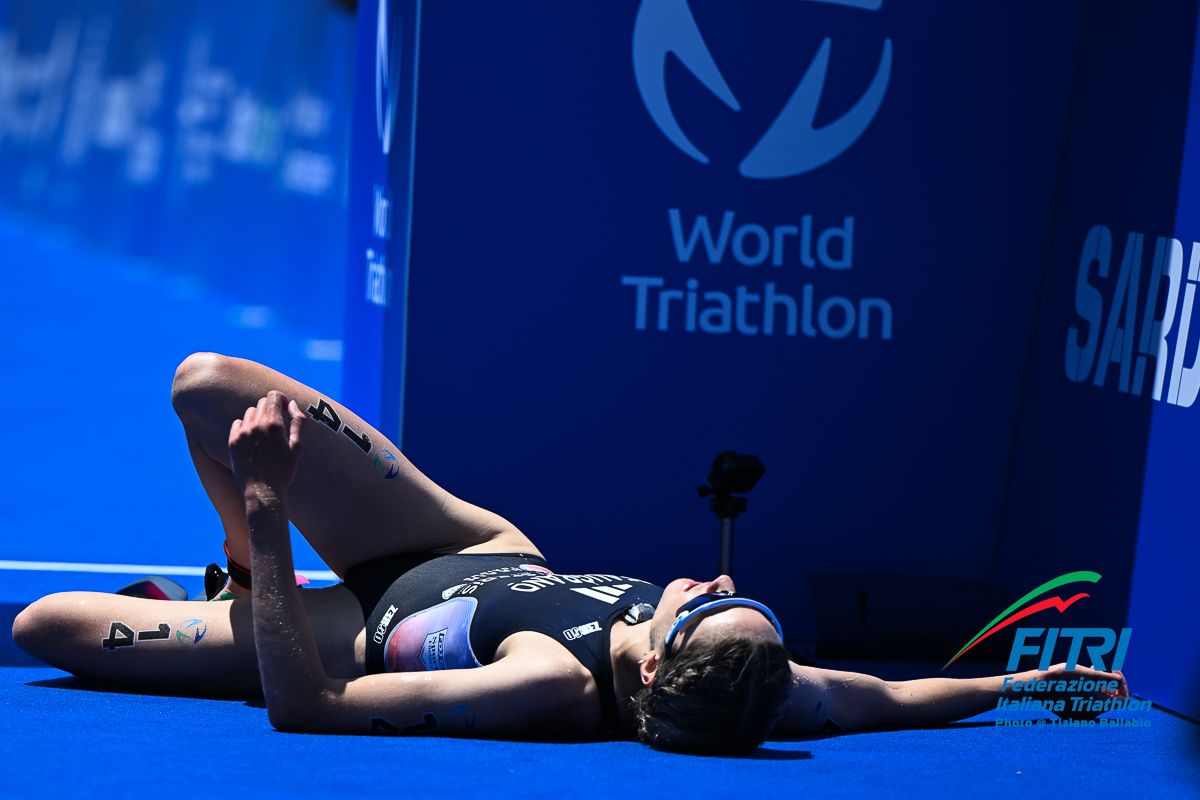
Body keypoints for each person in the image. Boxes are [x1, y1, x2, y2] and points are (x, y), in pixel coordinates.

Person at [12, 354, 1129, 753]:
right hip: (459, 539)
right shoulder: (760, 686)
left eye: (706, 603)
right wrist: (1043, 690)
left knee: (46, 625)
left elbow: (308, 709)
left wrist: (268, 502)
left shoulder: (544, 682)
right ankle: (241, 574)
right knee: (206, 386)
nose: (714, 581)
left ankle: (248, 582)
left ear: (658, 661)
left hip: (346, 629)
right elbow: (903, 698)